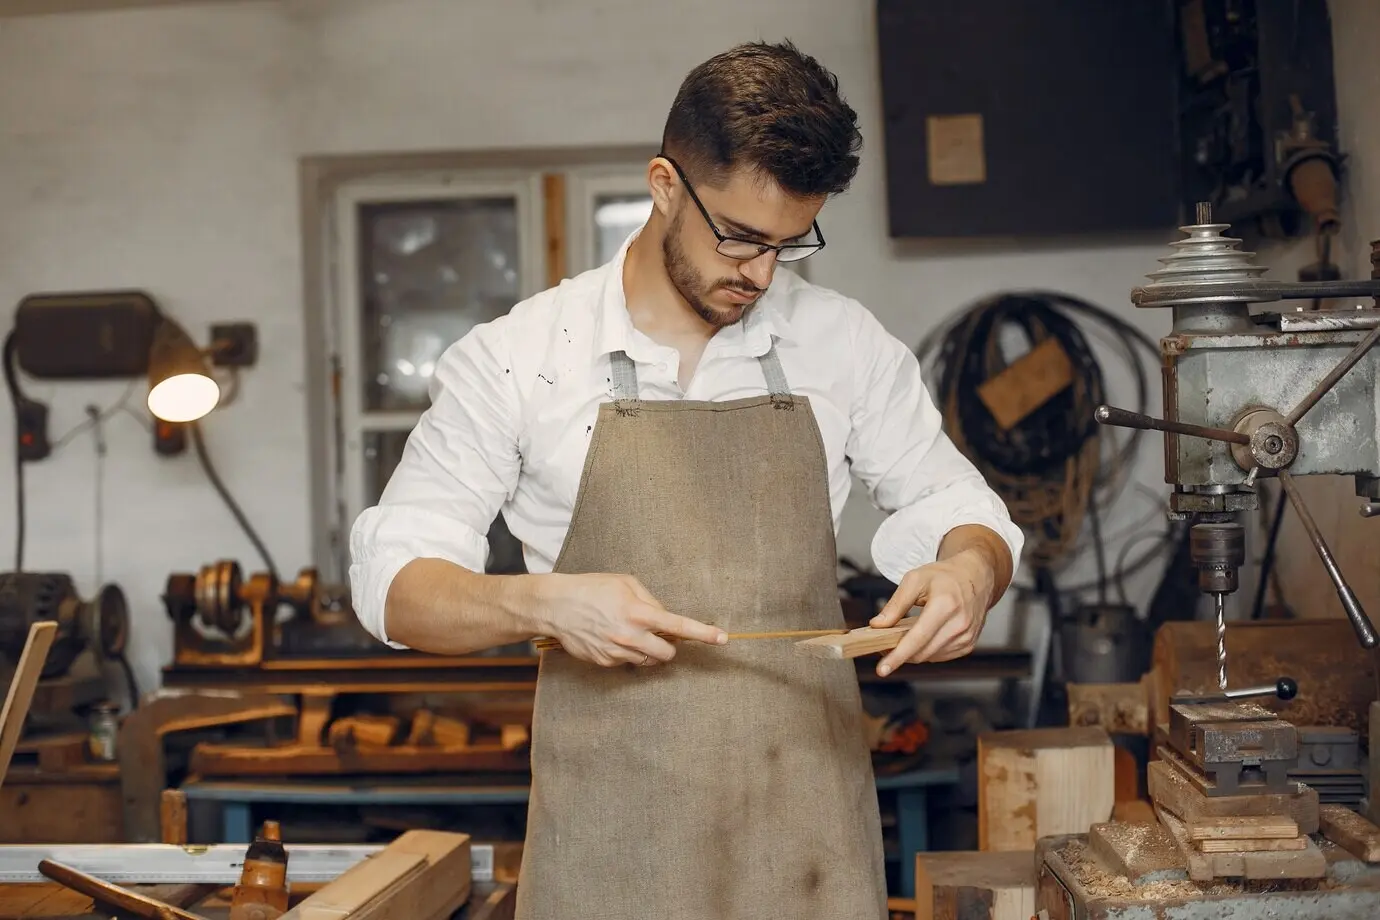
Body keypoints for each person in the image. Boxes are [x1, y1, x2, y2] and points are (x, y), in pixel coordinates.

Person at [349, 39, 1023, 920]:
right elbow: (395, 586)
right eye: (740, 238)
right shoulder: (520, 359)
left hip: (807, 833)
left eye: (791, 243)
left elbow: (955, 508)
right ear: (665, 184)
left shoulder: (842, 344)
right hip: (612, 842)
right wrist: (542, 604)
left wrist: (969, 571)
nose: (761, 274)